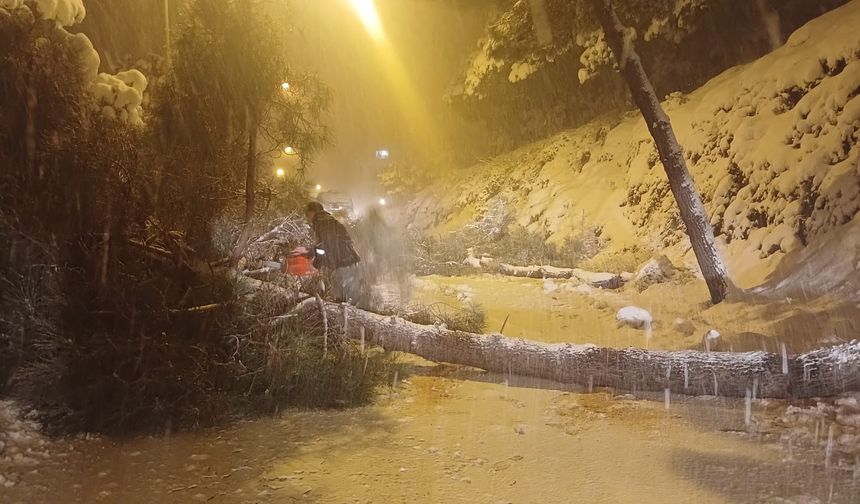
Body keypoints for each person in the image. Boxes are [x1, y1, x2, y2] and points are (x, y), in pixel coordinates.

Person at [304, 201, 364, 304]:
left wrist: (316, 265)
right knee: (347, 301)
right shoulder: (328, 220)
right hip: (350, 263)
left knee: (340, 302)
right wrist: (311, 252)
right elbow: (327, 243)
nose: (307, 217)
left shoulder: (321, 223)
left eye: (307, 214)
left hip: (343, 266)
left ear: (312, 212)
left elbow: (323, 246)